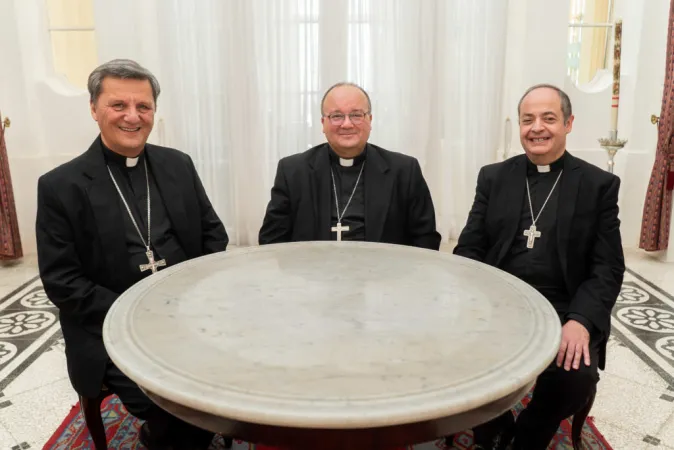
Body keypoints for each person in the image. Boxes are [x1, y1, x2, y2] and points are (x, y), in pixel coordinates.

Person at [36, 59, 228, 450]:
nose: (132, 116)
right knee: (175, 405)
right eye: (118, 105)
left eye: (143, 106)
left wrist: (196, 297)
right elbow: (62, 282)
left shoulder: (178, 164)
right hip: (113, 330)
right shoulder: (61, 186)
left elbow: (213, 234)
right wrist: (136, 314)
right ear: (94, 109)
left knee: (232, 374)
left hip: (189, 316)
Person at [453, 84, 625, 450]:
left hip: (564, 308)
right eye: (527, 119)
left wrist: (581, 321)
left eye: (548, 118)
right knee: (455, 354)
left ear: (568, 123)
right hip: (498, 303)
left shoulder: (597, 185)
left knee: (575, 377)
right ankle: (495, 425)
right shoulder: (494, 177)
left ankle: (531, 431)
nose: (537, 128)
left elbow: (607, 266)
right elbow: (469, 247)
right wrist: (469, 302)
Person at [259, 82, 441, 250]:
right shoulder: (292, 171)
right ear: (323, 123)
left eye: (356, 115)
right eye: (336, 116)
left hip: (383, 272)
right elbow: (271, 241)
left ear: (370, 120)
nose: (347, 124)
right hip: (312, 272)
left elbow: (426, 240)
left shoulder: (404, 171)